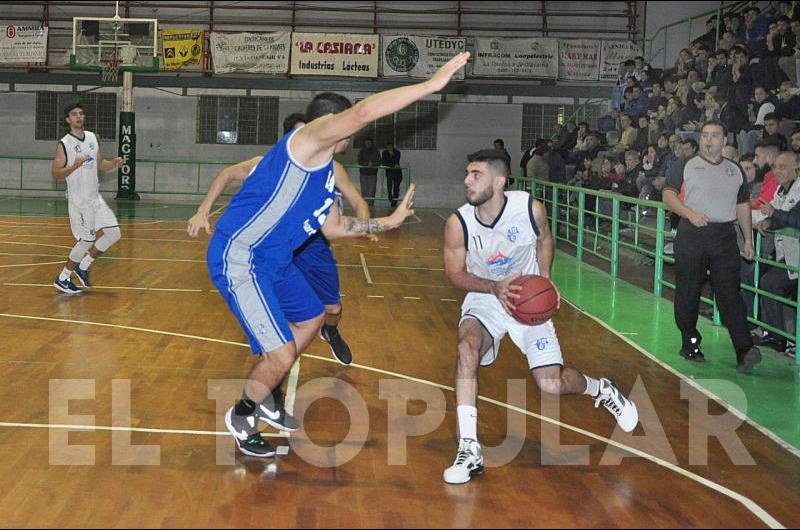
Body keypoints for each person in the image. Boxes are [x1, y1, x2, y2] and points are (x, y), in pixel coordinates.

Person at [188, 51, 470, 457]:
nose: (352, 131)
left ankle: (264, 391)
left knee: (313, 315)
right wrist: (431, 84)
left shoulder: (325, 174)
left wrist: (385, 223)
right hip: (241, 256)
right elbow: (365, 111)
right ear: (331, 125)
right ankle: (243, 412)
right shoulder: (304, 142)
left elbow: (335, 228)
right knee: (281, 351)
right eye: (347, 124)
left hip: (274, 261)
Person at [441, 150, 639, 485]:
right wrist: (493, 287)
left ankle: (601, 389)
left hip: (528, 301)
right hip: (486, 297)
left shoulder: (529, 209)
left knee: (551, 384)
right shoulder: (458, 223)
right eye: (467, 173)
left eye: (476, 174)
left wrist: (545, 278)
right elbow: (454, 273)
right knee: (466, 350)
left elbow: (545, 239)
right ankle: (469, 449)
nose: (467, 181)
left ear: (499, 181)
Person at [662, 121, 763, 373]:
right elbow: (668, 195)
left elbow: (742, 205)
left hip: (724, 236)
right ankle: (691, 343)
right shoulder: (686, 164)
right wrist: (690, 213)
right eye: (705, 135)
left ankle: (745, 349)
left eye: (714, 135)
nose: (709, 140)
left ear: (725, 141)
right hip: (691, 233)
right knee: (688, 292)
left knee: (730, 293)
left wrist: (748, 238)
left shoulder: (735, 169)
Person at [51, 102, 123, 294]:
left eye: (81, 114)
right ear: (68, 120)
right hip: (79, 201)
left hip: (94, 198)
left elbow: (101, 165)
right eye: (74, 114)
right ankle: (63, 277)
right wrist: (74, 166)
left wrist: (114, 163)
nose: (78, 117)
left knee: (114, 234)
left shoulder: (92, 138)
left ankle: (83, 267)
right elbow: (56, 174)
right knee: (86, 240)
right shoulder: (64, 144)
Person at [754, 152, 800, 353]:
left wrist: (774, 214)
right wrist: (769, 221)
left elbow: (796, 220)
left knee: (769, 283)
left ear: (796, 168)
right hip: (785, 254)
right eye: (776, 167)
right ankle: (775, 333)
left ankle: (780, 336)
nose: (777, 171)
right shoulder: (782, 190)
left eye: (783, 167)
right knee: (760, 276)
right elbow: (779, 216)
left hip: (795, 258)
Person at [357, 137, 381, 207]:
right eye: (366, 143)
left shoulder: (376, 151)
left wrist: (372, 164)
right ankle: (364, 206)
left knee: (372, 191)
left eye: (369, 143)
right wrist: (366, 164)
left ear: (372, 144)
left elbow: (379, 162)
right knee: (364, 191)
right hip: (363, 174)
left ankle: (371, 206)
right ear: (364, 144)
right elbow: (359, 161)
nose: (368, 144)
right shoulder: (361, 151)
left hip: (372, 174)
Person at [381, 142, 403, 207]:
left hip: (397, 173)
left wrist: (392, 156)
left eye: (390, 147)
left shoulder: (397, 152)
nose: (389, 148)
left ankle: (394, 202)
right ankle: (390, 196)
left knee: (396, 188)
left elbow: (396, 160)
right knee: (389, 186)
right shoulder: (384, 153)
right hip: (389, 172)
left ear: (393, 147)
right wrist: (393, 165)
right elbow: (384, 162)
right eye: (388, 147)